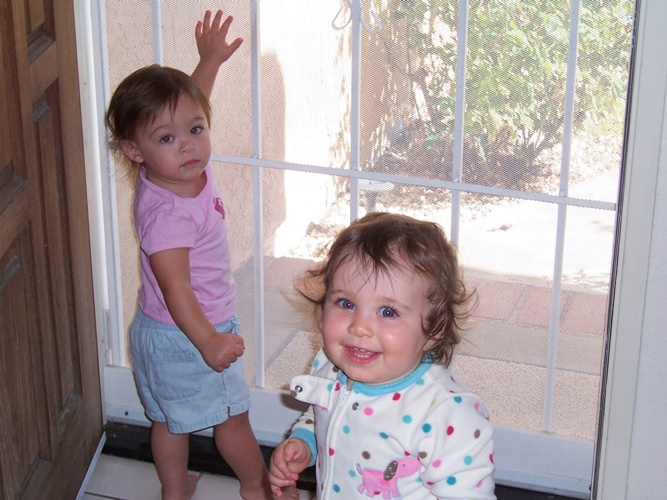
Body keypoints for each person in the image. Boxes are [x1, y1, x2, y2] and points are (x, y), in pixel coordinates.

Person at [105, 11, 297, 500]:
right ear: (134, 150)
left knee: (170, 420)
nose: (188, 146)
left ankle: (174, 491)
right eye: (167, 139)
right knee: (232, 417)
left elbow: (188, 104)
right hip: (190, 331)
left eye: (196, 129)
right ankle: (256, 487)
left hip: (160, 333)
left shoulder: (170, 170)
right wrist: (209, 340)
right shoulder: (168, 215)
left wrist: (208, 61)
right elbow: (176, 288)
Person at [269, 212, 496, 499]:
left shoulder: (447, 414)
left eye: (388, 312)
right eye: (346, 303)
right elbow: (321, 414)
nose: (360, 327)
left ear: (435, 327)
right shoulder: (330, 366)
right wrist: (305, 443)